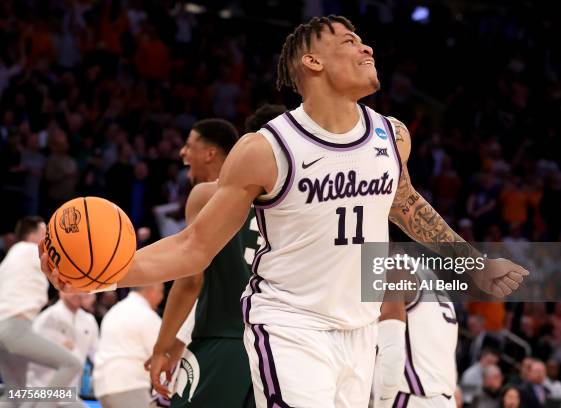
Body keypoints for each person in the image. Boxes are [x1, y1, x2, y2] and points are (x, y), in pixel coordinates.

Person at [42, 15, 527, 407]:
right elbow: (193, 248)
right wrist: (103, 274)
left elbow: (408, 206)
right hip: (290, 326)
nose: (367, 49)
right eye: (350, 41)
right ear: (312, 61)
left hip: (359, 330)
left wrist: (474, 263)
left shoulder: (390, 134)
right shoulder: (265, 149)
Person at [146, 113, 282, 408]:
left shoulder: (207, 194)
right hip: (285, 349)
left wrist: (164, 347)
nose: (182, 153)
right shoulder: (300, 205)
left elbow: (191, 277)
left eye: (188, 145)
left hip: (225, 340)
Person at [0, 216, 81, 406]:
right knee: (71, 364)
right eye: (45, 232)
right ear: (33, 235)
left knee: (14, 396)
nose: (49, 238)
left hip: (4, 328)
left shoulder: (10, 258)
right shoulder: (32, 251)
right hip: (15, 328)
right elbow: (70, 266)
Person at [374, 268, 459, 408]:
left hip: (411, 397)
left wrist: (382, 403)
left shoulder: (397, 273)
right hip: (446, 400)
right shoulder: (435, 282)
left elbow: (392, 354)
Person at [93, 284, 164, 408]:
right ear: (151, 290)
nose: (162, 297)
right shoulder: (147, 315)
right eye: (161, 291)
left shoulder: (114, 311)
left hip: (103, 388)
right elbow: (160, 359)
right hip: (129, 386)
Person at [27, 292, 98, 401]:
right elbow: (30, 357)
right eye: (72, 288)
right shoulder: (47, 318)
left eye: (81, 289)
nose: (77, 293)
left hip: (71, 392)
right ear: (61, 290)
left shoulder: (89, 320)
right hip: (40, 390)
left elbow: (97, 355)